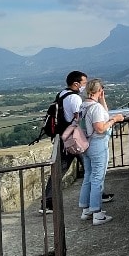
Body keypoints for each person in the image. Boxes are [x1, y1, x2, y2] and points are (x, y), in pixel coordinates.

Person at [78, 78, 124, 225]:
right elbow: (100, 127)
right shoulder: (95, 108)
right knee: (98, 178)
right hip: (97, 144)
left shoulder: (83, 106)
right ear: (99, 90)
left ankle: (86, 210)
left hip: (85, 144)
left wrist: (102, 100)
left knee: (88, 176)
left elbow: (102, 114)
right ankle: (97, 213)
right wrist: (115, 120)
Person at [40, 71, 87, 213]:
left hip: (63, 138)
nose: (85, 86)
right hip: (73, 140)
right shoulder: (75, 99)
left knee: (60, 170)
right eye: (84, 83)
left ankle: (47, 202)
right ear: (76, 84)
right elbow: (79, 118)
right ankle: (47, 202)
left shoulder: (62, 94)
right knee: (90, 167)